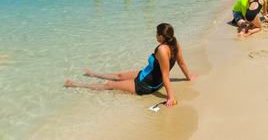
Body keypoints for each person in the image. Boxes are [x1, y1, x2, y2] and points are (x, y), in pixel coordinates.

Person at [65, 23, 198, 105]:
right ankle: (95, 74)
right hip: (146, 74)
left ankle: (77, 84)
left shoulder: (163, 49)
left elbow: (165, 75)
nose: (155, 35)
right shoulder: (174, 43)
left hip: (146, 84)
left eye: (156, 34)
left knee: (110, 85)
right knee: (120, 75)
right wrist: (188, 77)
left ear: (161, 37)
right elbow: (181, 63)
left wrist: (171, 97)